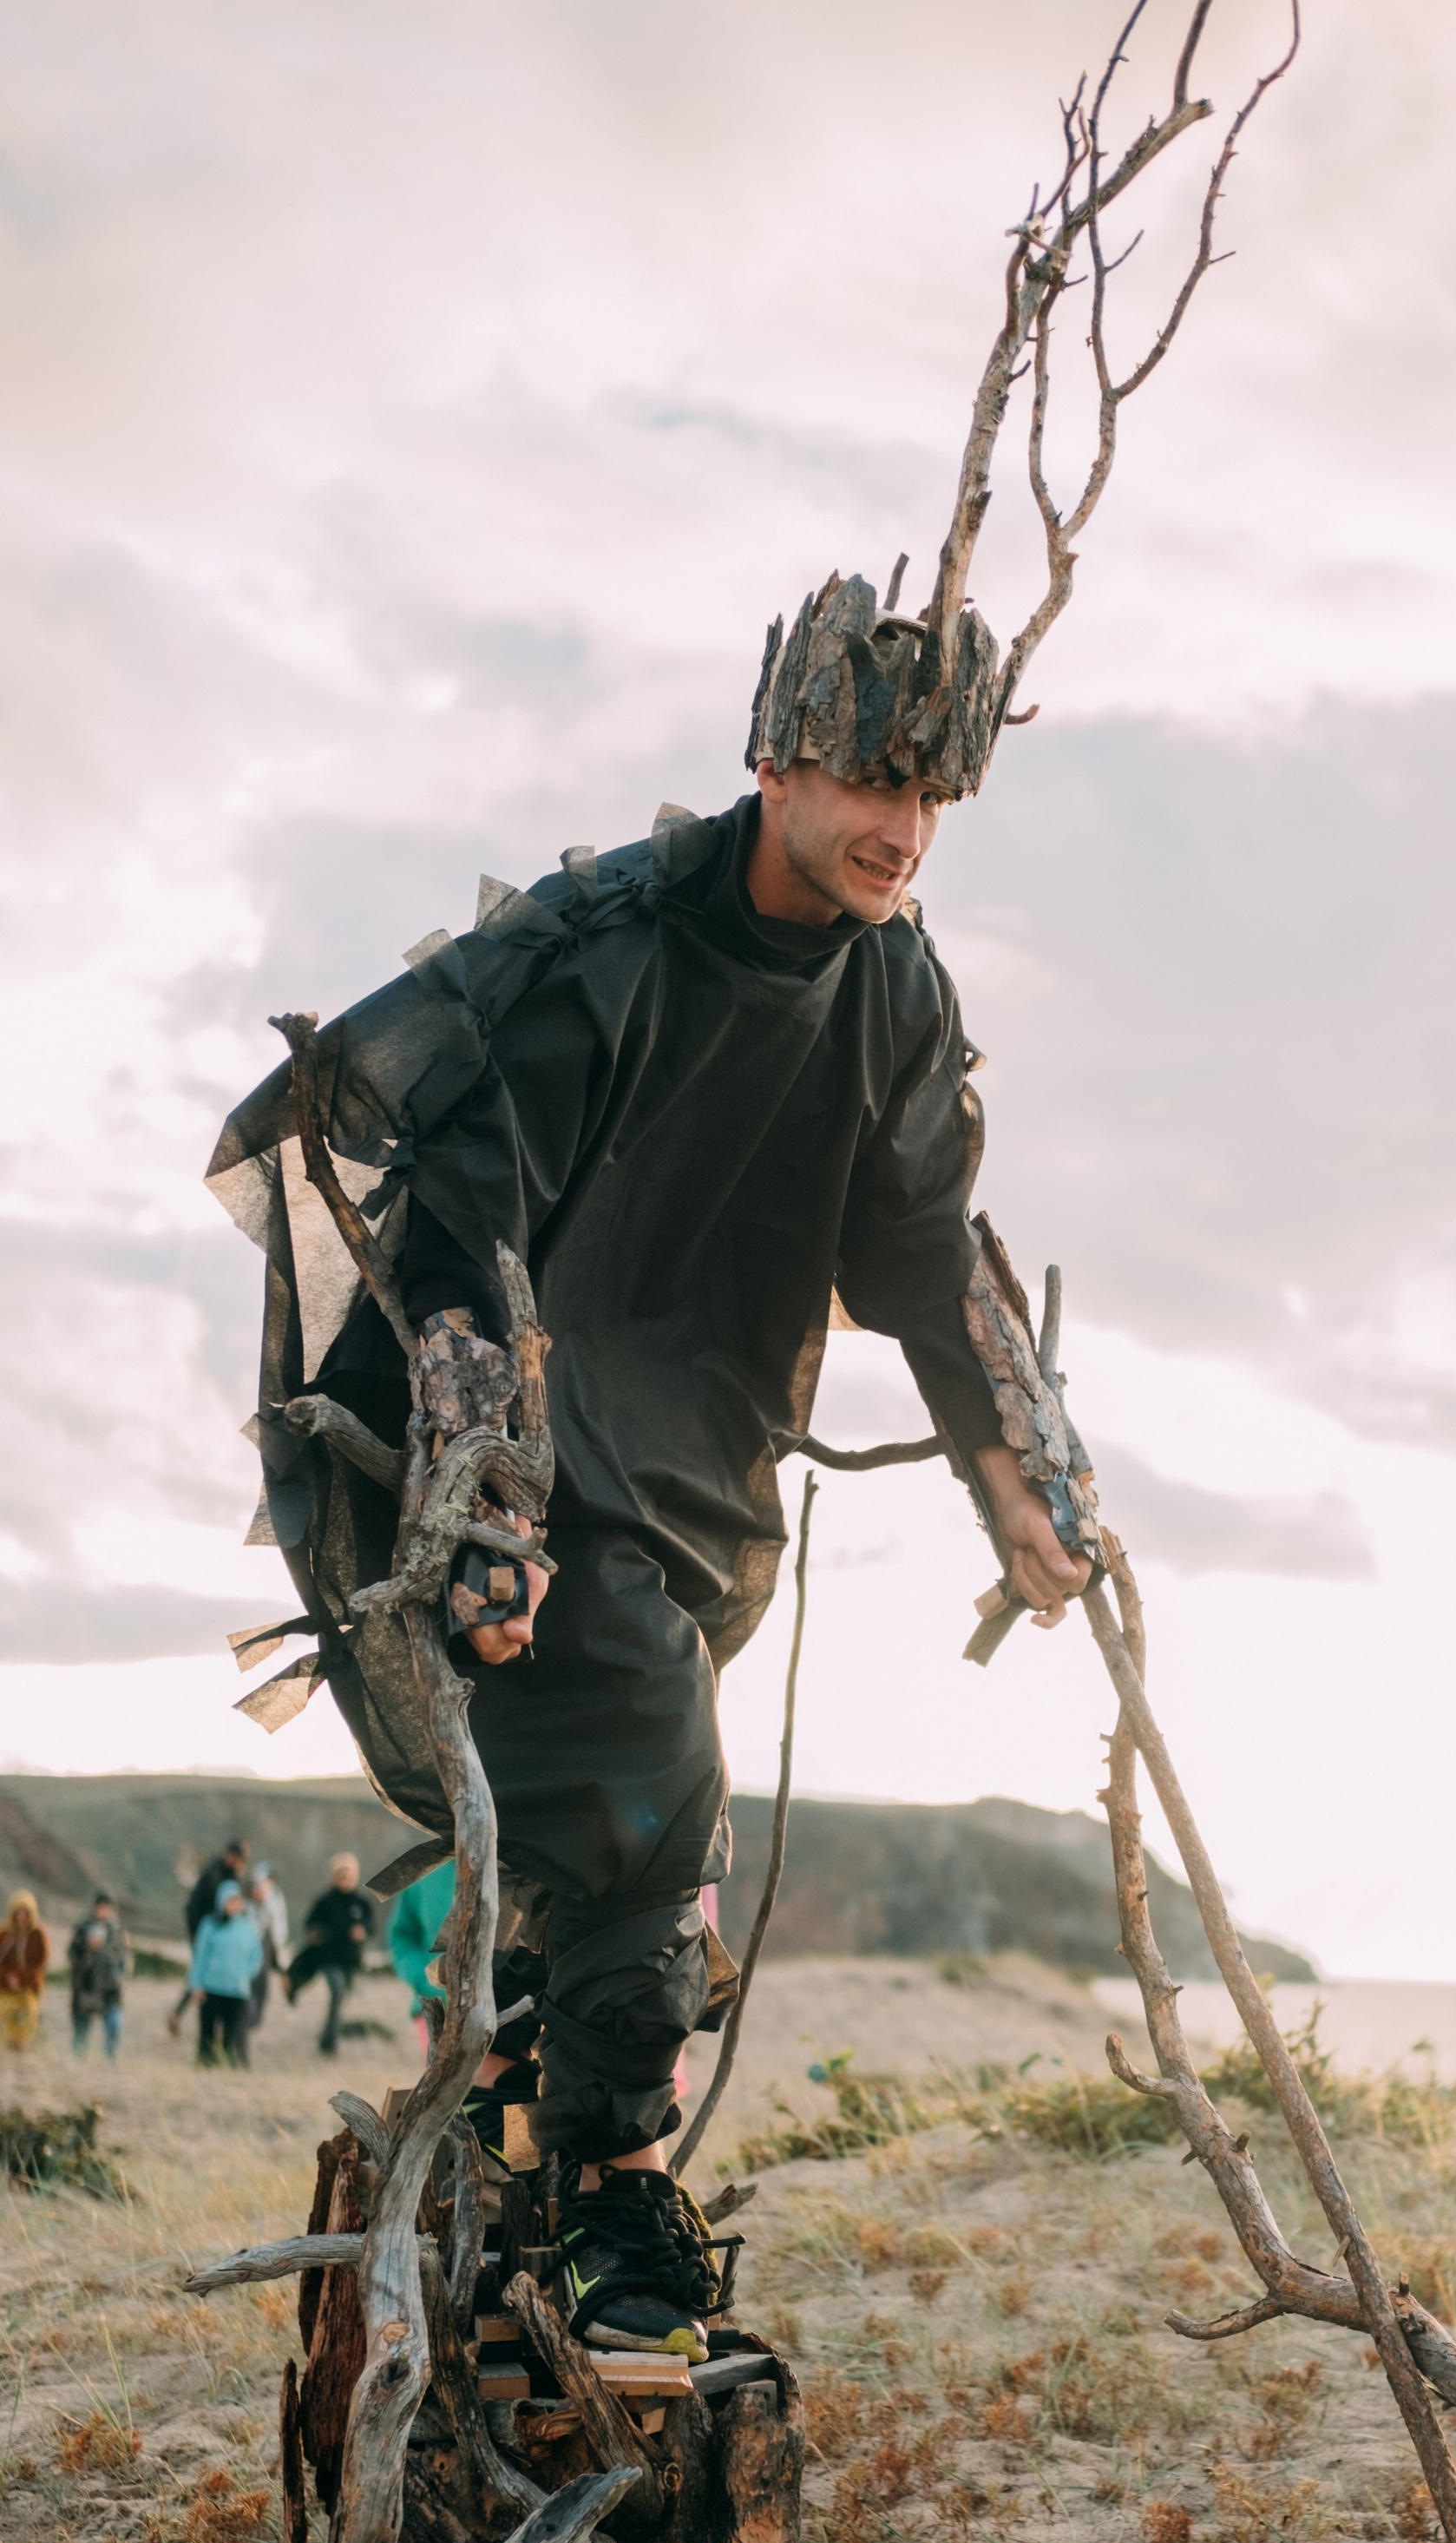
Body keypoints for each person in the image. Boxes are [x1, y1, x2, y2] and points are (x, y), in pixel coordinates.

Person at [208, 597, 1094, 2362]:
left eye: (931, 796)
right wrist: (483, 1505)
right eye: (864, 776)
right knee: (643, 1782)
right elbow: (465, 1234)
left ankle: (511, 2132)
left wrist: (1015, 1476)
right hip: (494, 1447)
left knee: (628, 1828)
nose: (897, 828)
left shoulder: (896, 989)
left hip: (697, 1467)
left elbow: (915, 1255)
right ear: (771, 756)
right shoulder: (601, 951)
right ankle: (616, 2203)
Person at [287, 1856, 375, 2058]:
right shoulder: (325, 1901)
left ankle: (328, 2035)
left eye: (349, 1875)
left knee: (342, 1999)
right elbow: (310, 1924)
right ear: (334, 1876)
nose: (345, 1879)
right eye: (341, 1875)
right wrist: (317, 1933)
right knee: (337, 1992)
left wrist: (363, 1931)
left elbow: (371, 1926)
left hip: (351, 1960)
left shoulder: (361, 1901)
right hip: (329, 1958)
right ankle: (329, 2044)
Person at [169, 1837, 250, 2039]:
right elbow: (220, 1907)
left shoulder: (223, 1872)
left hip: (209, 1930)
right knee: (202, 1972)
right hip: (206, 1932)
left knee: (202, 1972)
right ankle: (179, 2012)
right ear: (232, 1856)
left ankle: (179, 2012)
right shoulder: (216, 1874)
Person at [189, 1881, 263, 2068]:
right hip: (211, 1986)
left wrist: (245, 1974)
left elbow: (257, 1956)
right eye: (230, 1901)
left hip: (237, 1990)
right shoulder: (210, 1924)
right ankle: (205, 2065)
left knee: (231, 2034)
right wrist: (196, 1984)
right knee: (208, 2032)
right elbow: (201, 1956)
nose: (234, 1905)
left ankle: (228, 2066)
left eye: (237, 1901)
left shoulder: (247, 1926)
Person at [386, 1856, 456, 2053]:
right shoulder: (424, 1872)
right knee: (443, 2081)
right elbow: (402, 1936)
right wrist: (422, 1978)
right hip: (436, 2004)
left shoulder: (512, 1864)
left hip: (503, 2010)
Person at [67, 1894, 129, 2061]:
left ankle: (110, 2064)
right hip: (85, 1988)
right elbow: (72, 1956)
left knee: (114, 2027)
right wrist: (88, 1949)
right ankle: (77, 2065)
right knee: (81, 2034)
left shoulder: (117, 1931)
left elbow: (124, 1958)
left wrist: (119, 1976)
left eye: (107, 1908)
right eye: (100, 1907)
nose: (103, 1911)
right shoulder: (82, 1928)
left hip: (110, 1991)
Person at [243, 1865, 290, 2036]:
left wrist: (284, 1968)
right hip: (245, 1961)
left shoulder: (273, 1906)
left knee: (261, 1997)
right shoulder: (242, 1910)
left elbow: (278, 1936)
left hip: (264, 1960)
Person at [0, 1893, 48, 2056]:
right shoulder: (4, 1935)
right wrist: (8, 1977)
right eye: (18, 1913)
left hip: (28, 1987)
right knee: (6, 2015)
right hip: (6, 1989)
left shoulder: (37, 1935)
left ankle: (22, 2048)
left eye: (25, 1913)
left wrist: (21, 1979)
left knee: (29, 2017)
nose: (21, 1917)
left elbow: (40, 1964)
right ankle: (9, 2048)